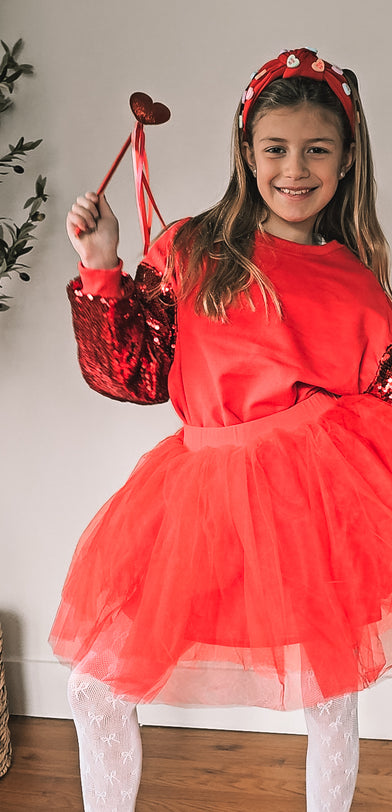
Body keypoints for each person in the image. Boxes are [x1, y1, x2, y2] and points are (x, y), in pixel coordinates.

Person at [50, 47, 392, 811]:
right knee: (96, 685)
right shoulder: (197, 248)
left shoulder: (358, 282)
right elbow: (131, 375)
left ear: (345, 161)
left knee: (330, 691)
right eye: (276, 148)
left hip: (310, 503)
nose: (294, 168)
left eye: (316, 150)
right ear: (247, 152)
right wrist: (103, 265)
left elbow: (382, 394)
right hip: (197, 496)